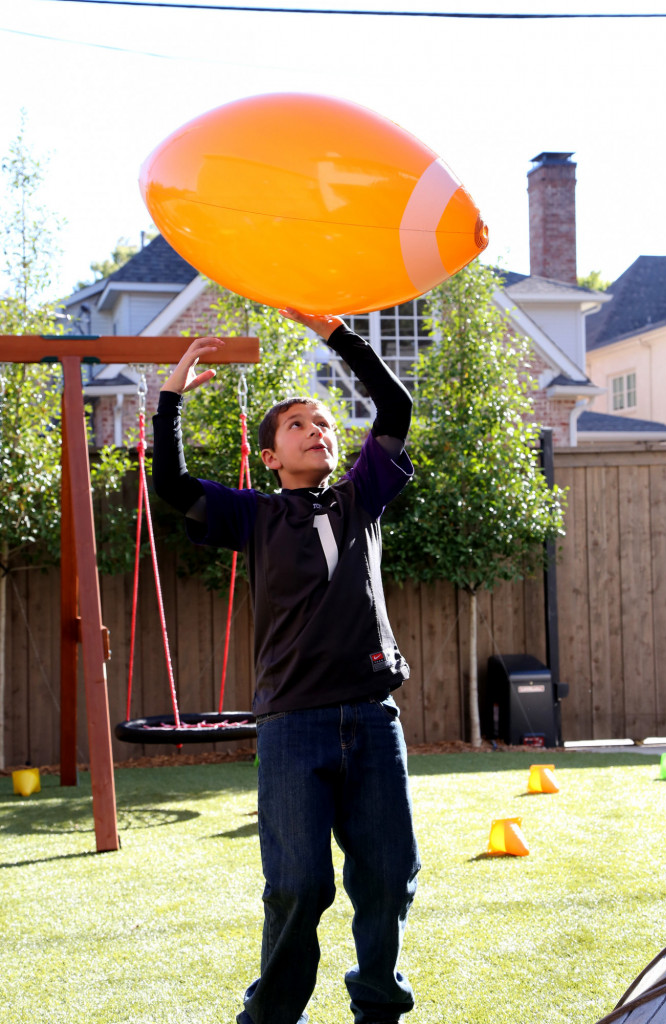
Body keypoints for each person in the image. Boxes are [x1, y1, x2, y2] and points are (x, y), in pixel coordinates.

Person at [152, 309, 421, 1024]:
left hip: (371, 714)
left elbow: (394, 406)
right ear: (270, 455)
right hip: (293, 725)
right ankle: (271, 1016)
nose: (317, 430)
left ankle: (379, 1008)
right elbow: (174, 485)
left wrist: (337, 334)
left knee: (390, 877)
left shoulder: (363, 497)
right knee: (299, 885)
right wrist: (170, 399)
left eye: (324, 422)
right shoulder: (255, 516)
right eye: (299, 424)